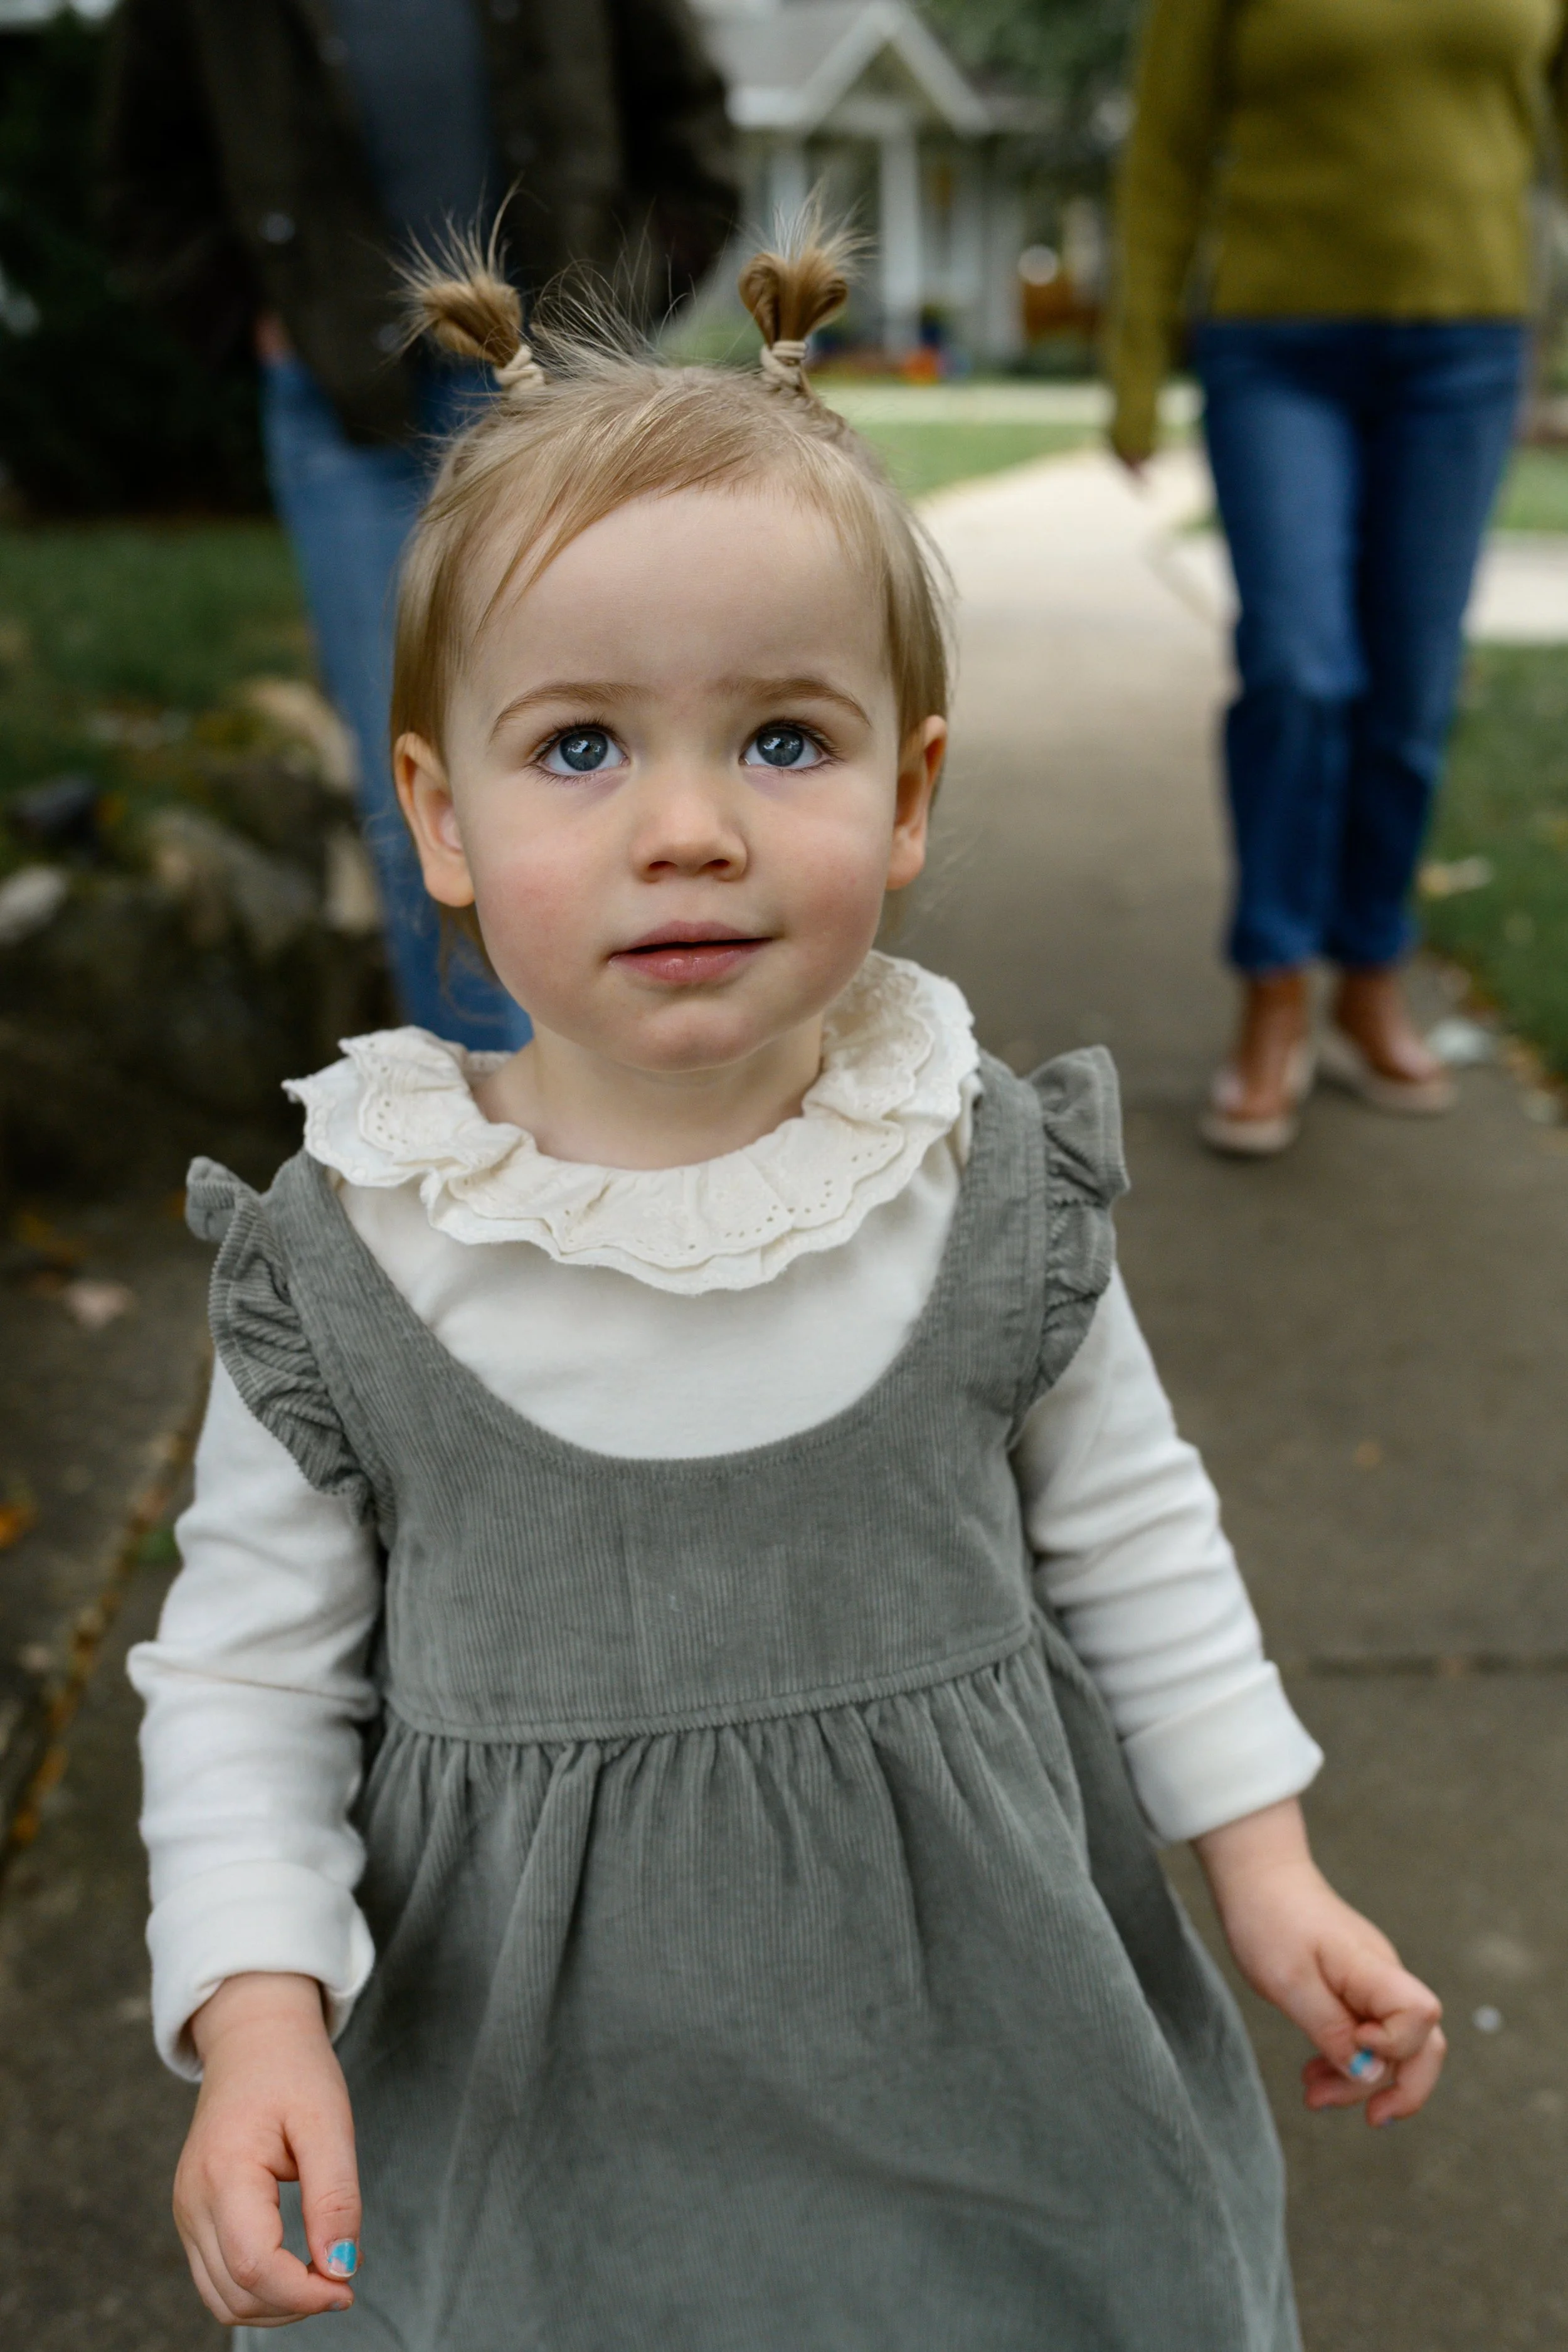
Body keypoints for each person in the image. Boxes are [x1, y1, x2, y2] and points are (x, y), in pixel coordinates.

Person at [130, 228, 1445, 2348]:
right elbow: (250, 1689)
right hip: (543, 2126)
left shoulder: (979, 1178)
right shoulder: (355, 1251)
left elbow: (1137, 1544)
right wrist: (261, 2017)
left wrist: (1267, 1869)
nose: (688, 829)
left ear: (909, 790)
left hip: (1002, 2078)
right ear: (436, 817)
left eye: (782, 742)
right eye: (578, 750)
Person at [101, 0, 738, 1050]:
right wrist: (251, 316)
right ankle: (488, 1141)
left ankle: (641, 1092)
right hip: (348, 407)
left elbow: (691, 131)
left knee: (612, 746)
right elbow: (143, 178)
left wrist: (612, 308)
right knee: (423, 790)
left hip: (561, 387)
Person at [1108, 0, 1568, 1153]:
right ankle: (1274, 985)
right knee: (1300, 668)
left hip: (1467, 345)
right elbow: (1166, 147)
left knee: (1412, 683)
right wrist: (1133, 361)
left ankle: (1369, 967)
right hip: (1277, 346)